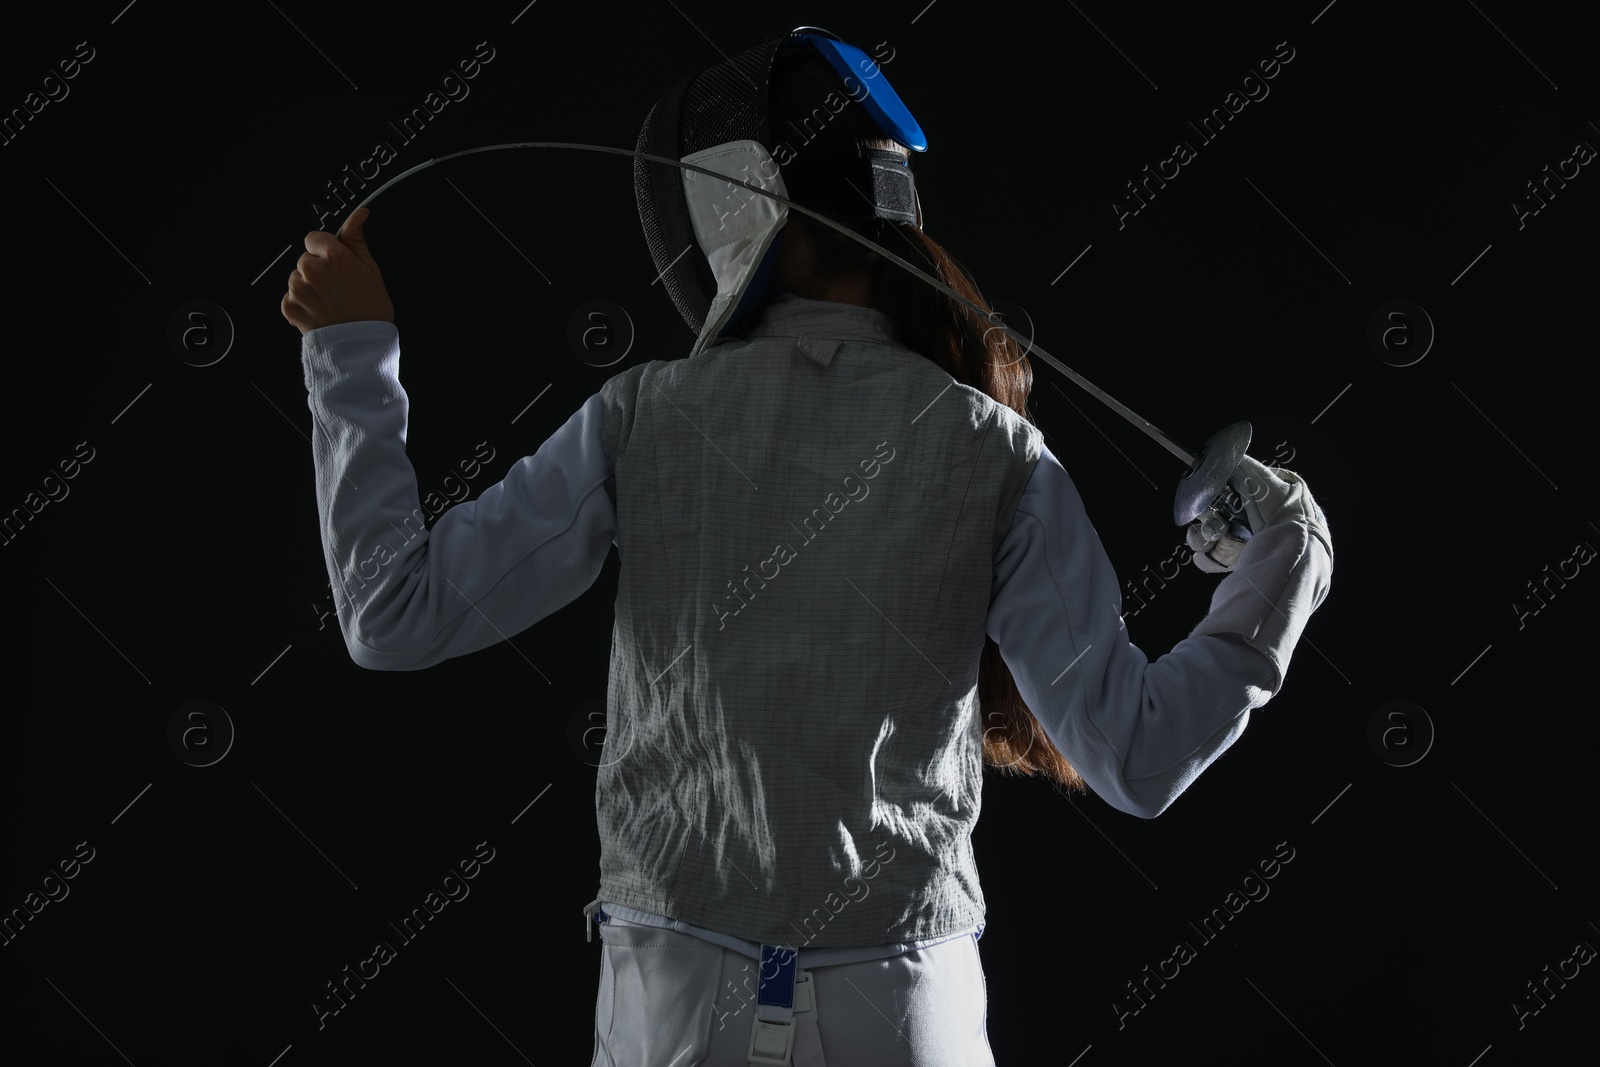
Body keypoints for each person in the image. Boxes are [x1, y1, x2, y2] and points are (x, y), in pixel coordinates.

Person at [281, 27, 1332, 1067]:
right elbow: (1138, 758)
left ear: (726, 208)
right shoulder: (992, 445)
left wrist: (350, 355)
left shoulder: (645, 415)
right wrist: (1289, 550)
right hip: (905, 995)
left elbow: (392, 614)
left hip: (680, 1000)